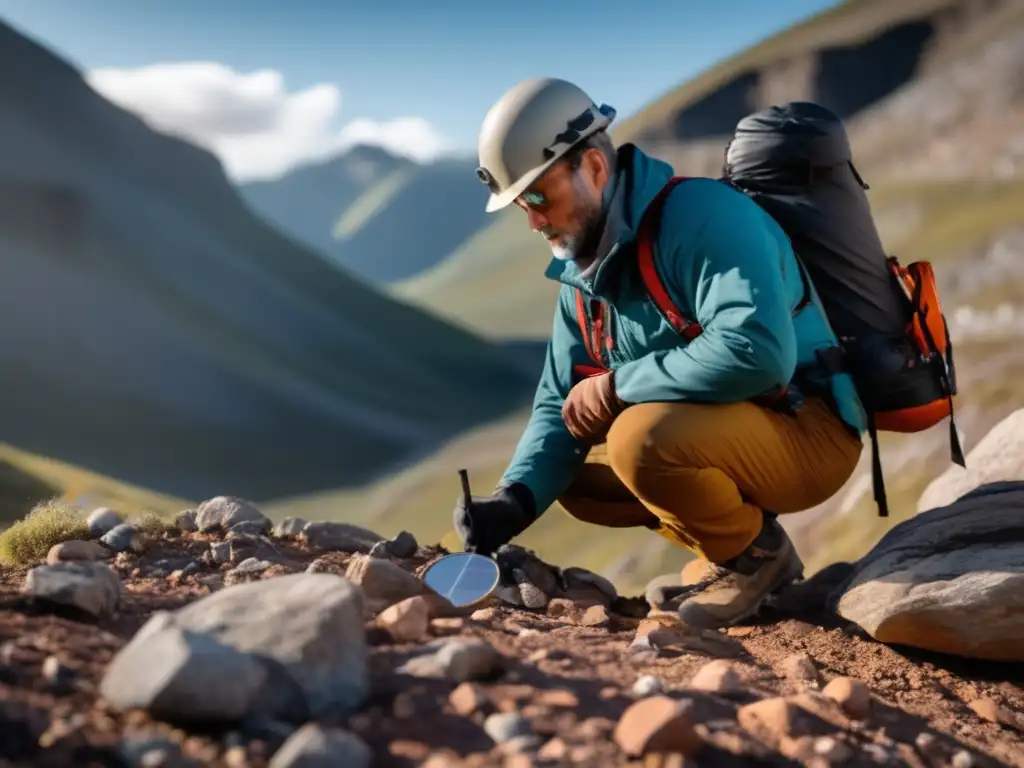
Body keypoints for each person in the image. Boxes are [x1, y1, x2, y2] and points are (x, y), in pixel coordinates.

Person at [453, 77, 866, 629]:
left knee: (635, 438)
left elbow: (759, 351)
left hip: (808, 429)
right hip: (731, 431)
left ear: (594, 170)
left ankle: (755, 560)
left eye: (537, 196)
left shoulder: (704, 218)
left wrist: (619, 385)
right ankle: (731, 552)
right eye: (519, 205)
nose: (532, 219)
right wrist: (513, 501)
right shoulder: (583, 276)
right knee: (574, 477)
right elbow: (558, 405)